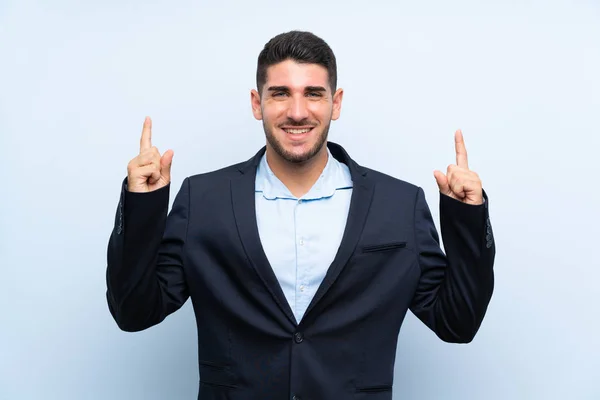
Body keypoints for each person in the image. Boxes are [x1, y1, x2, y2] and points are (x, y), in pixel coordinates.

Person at [106, 30, 495, 400]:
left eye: (313, 93)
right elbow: (134, 311)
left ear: (335, 103)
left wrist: (467, 216)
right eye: (280, 94)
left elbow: (457, 321)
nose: (297, 112)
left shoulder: (399, 204)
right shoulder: (203, 200)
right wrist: (143, 206)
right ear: (257, 103)